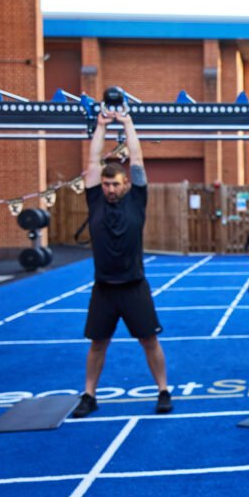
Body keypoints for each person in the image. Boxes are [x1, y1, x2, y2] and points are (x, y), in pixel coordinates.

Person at [72, 102, 172, 418]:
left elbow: (138, 159)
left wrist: (127, 122)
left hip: (134, 286)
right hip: (104, 288)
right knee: (98, 345)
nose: (110, 188)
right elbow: (92, 161)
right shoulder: (95, 201)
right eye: (106, 183)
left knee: (149, 341)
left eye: (115, 183)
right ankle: (89, 395)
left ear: (125, 184)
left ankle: (163, 390)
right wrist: (100, 126)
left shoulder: (136, 201)